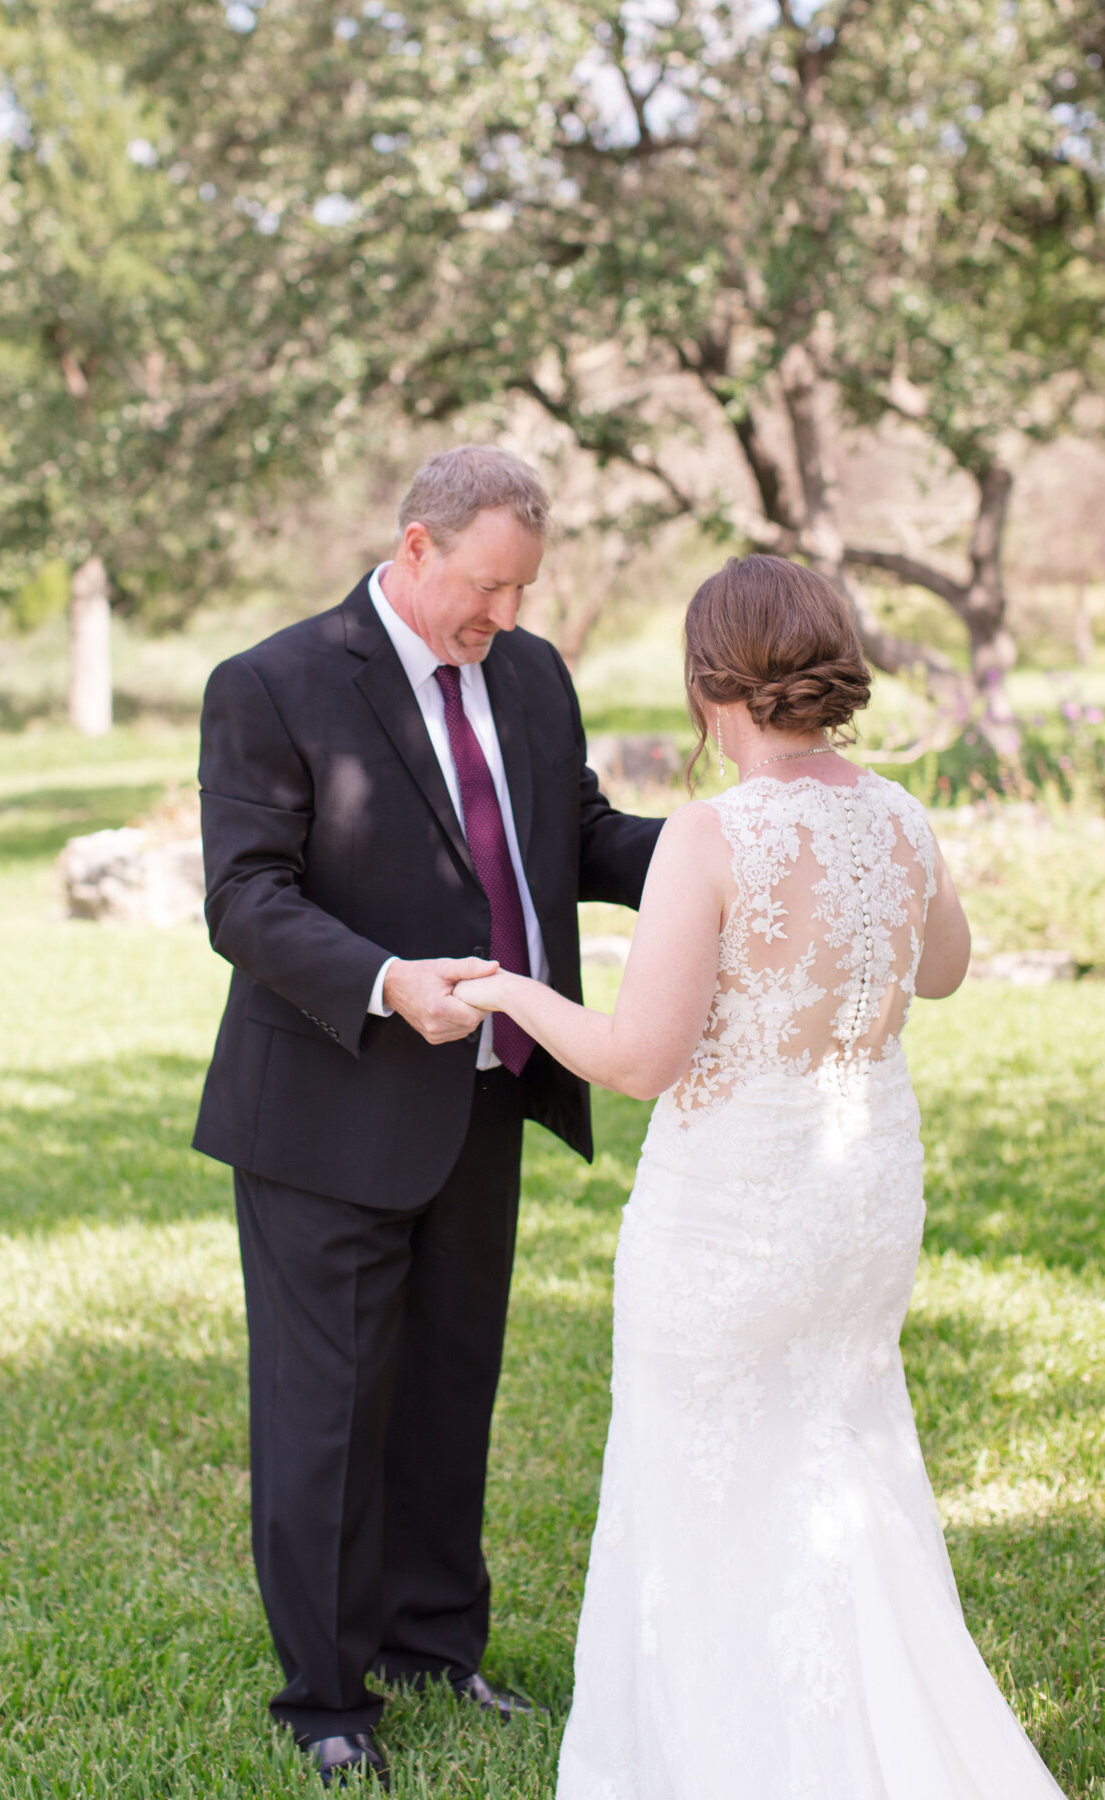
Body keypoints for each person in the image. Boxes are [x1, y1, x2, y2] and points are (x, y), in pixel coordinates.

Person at [456, 554, 1067, 1798]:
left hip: (730, 1220)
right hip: (861, 1205)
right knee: (842, 1454)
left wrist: (508, 987)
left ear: (705, 685)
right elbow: (941, 971)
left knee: (705, 1487)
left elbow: (638, 1059)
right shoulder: (898, 812)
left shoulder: (713, 834)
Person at [192, 446, 663, 1786]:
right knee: (332, 1408)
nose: (503, 619)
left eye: (522, 592)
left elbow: (572, 834)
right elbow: (246, 899)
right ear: (416, 548)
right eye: (488, 588)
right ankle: (327, 1699)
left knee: (453, 1388)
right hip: (327, 1111)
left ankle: (432, 1645)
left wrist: (724, 850)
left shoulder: (529, 672)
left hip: (491, 1094)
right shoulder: (273, 684)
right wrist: (391, 985)